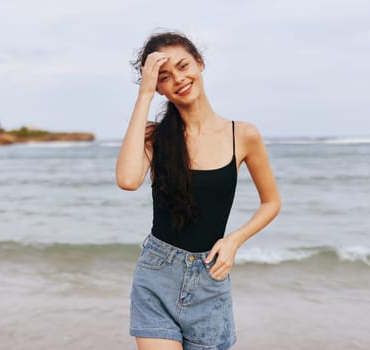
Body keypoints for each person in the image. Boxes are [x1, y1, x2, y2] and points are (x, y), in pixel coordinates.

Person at [115, 31, 281, 350]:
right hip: (156, 278)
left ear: (200, 63)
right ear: (158, 87)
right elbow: (127, 180)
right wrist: (144, 95)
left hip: (210, 280)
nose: (178, 79)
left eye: (183, 66)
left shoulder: (243, 135)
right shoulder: (153, 136)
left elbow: (271, 202)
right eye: (164, 77)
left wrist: (234, 241)